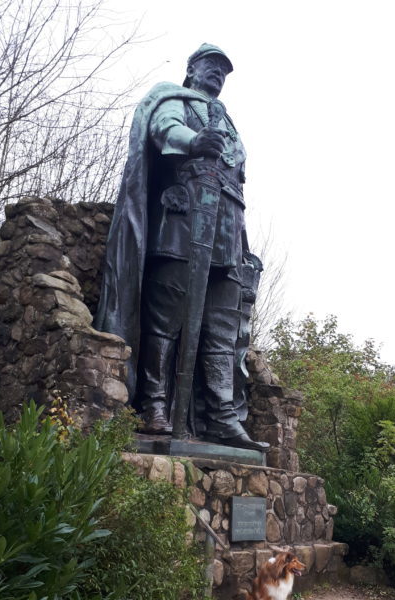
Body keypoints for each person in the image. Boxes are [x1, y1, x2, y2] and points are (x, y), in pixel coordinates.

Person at [94, 44, 267, 451]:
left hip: (227, 232)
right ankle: (154, 404)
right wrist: (194, 142)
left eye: (224, 72)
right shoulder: (174, 100)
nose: (217, 76)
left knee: (222, 331)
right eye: (211, 67)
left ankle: (222, 416)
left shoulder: (229, 123)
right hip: (181, 224)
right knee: (165, 322)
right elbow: (164, 131)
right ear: (191, 69)